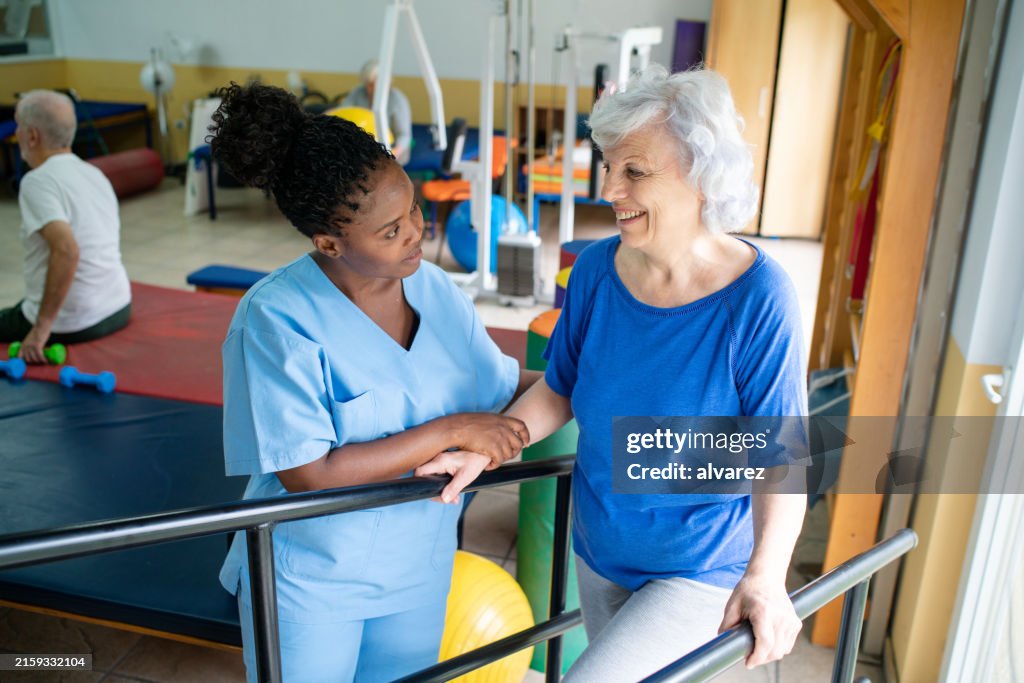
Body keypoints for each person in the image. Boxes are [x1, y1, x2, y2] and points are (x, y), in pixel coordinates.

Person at [418, 65, 808, 680]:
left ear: (702, 176)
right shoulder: (598, 271)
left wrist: (766, 574)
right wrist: (485, 451)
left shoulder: (758, 297)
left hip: (698, 567)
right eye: (608, 166)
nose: (609, 189)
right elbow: (559, 388)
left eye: (634, 171)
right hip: (600, 549)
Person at [209, 82, 535, 683]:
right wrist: (453, 431)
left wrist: (593, 380)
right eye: (390, 231)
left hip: (418, 563)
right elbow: (308, 473)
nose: (414, 231)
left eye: (411, 208)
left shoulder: (433, 288)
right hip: (312, 577)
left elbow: (503, 383)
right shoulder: (277, 318)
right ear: (329, 242)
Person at [0, 90, 131, 362]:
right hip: (119, 308)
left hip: (75, 323)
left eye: (19, 127)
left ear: (33, 136)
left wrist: (40, 330)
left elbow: (67, 250)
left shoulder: (37, 182)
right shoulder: (94, 173)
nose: (17, 134)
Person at [343, 59, 413, 166]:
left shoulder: (397, 100)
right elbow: (343, 113)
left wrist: (394, 152)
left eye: (373, 84)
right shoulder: (358, 92)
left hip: (391, 147)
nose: (369, 89)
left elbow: (404, 135)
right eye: (368, 84)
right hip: (364, 144)